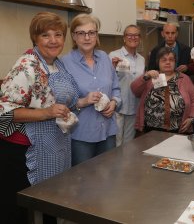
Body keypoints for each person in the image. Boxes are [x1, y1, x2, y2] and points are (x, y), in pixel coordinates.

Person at [0, 12, 82, 223]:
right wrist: (46, 112)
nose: (53, 40)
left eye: (58, 34)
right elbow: (5, 112)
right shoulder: (27, 65)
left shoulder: (58, 64)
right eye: (45, 35)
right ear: (35, 38)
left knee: (49, 203)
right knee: (21, 212)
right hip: (25, 152)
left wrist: (77, 104)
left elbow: (65, 100)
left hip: (55, 145)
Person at [61, 14, 121, 166]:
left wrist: (114, 102)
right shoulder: (64, 63)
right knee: (83, 182)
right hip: (81, 134)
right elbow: (59, 101)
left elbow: (116, 88)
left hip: (108, 131)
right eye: (81, 33)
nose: (87, 37)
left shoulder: (105, 58)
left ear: (96, 35)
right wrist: (83, 101)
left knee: (108, 178)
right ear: (74, 36)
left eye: (91, 33)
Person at [131, 47, 194, 134]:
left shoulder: (184, 79)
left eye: (171, 60)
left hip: (179, 129)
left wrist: (191, 118)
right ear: (158, 62)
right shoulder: (151, 76)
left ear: (175, 62)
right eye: (164, 60)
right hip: (151, 129)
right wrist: (146, 76)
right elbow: (135, 90)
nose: (168, 62)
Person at [109, 25, 145, 146]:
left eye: (136, 35)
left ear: (140, 38)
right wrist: (113, 68)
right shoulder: (113, 56)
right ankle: (116, 166)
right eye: (129, 35)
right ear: (124, 38)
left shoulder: (142, 59)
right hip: (118, 107)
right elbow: (107, 80)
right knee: (116, 144)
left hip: (134, 106)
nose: (133, 37)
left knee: (129, 144)